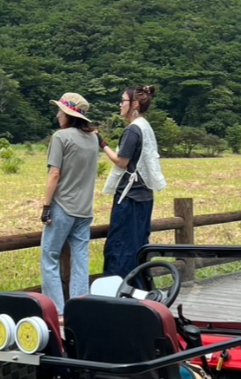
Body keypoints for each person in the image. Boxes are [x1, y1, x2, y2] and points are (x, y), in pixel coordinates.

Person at [97, 85, 167, 280]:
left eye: (123, 101)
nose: (120, 105)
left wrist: (102, 143)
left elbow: (122, 161)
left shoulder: (132, 130)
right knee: (138, 246)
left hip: (130, 197)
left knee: (119, 247)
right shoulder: (146, 126)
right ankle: (138, 288)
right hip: (144, 195)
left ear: (134, 104)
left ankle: (119, 291)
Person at [40, 92, 100, 314]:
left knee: (50, 257)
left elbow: (54, 174)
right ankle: (81, 308)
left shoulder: (60, 137)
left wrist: (46, 207)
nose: (57, 115)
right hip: (85, 209)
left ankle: (58, 311)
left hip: (62, 206)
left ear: (68, 114)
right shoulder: (93, 138)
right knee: (81, 259)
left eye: (60, 111)